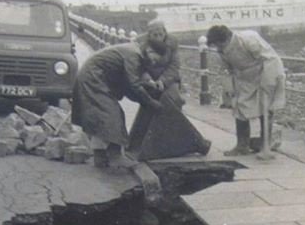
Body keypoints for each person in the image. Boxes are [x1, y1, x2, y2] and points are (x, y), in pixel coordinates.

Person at [71, 41, 164, 170]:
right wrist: (150, 102)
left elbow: (130, 84)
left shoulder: (136, 52)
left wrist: (149, 85)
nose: (153, 63)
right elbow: (133, 85)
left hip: (92, 77)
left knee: (101, 117)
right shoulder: (134, 55)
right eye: (154, 59)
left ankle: (100, 157)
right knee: (112, 115)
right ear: (150, 51)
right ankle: (115, 156)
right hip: (93, 79)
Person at [127, 20, 210, 159]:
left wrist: (163, 81)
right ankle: (149, 138)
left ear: (165, 33)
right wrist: (149, 80)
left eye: (160, 33)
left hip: (169, 79)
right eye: (154, 34)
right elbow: (139, 67)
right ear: (149, 34)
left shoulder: (172, 44)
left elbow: (174, 66)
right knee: (149, 102)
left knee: (173, 99)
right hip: (150, 79)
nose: (158, 36)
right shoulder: (141, 46)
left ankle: (179, 136)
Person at [205, 25, 285, 157]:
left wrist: (268, 82)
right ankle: (242, 146)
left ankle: (266, 145)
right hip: (243, 78)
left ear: (226, 38)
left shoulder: (248, 39)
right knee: (239, 108)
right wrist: (228, 88)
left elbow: (270, 59)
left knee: (265, 109)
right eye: (216, 46)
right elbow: (227, 69)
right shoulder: (221, 50)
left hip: (263, 72)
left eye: (219, 45)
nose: (218, 48)